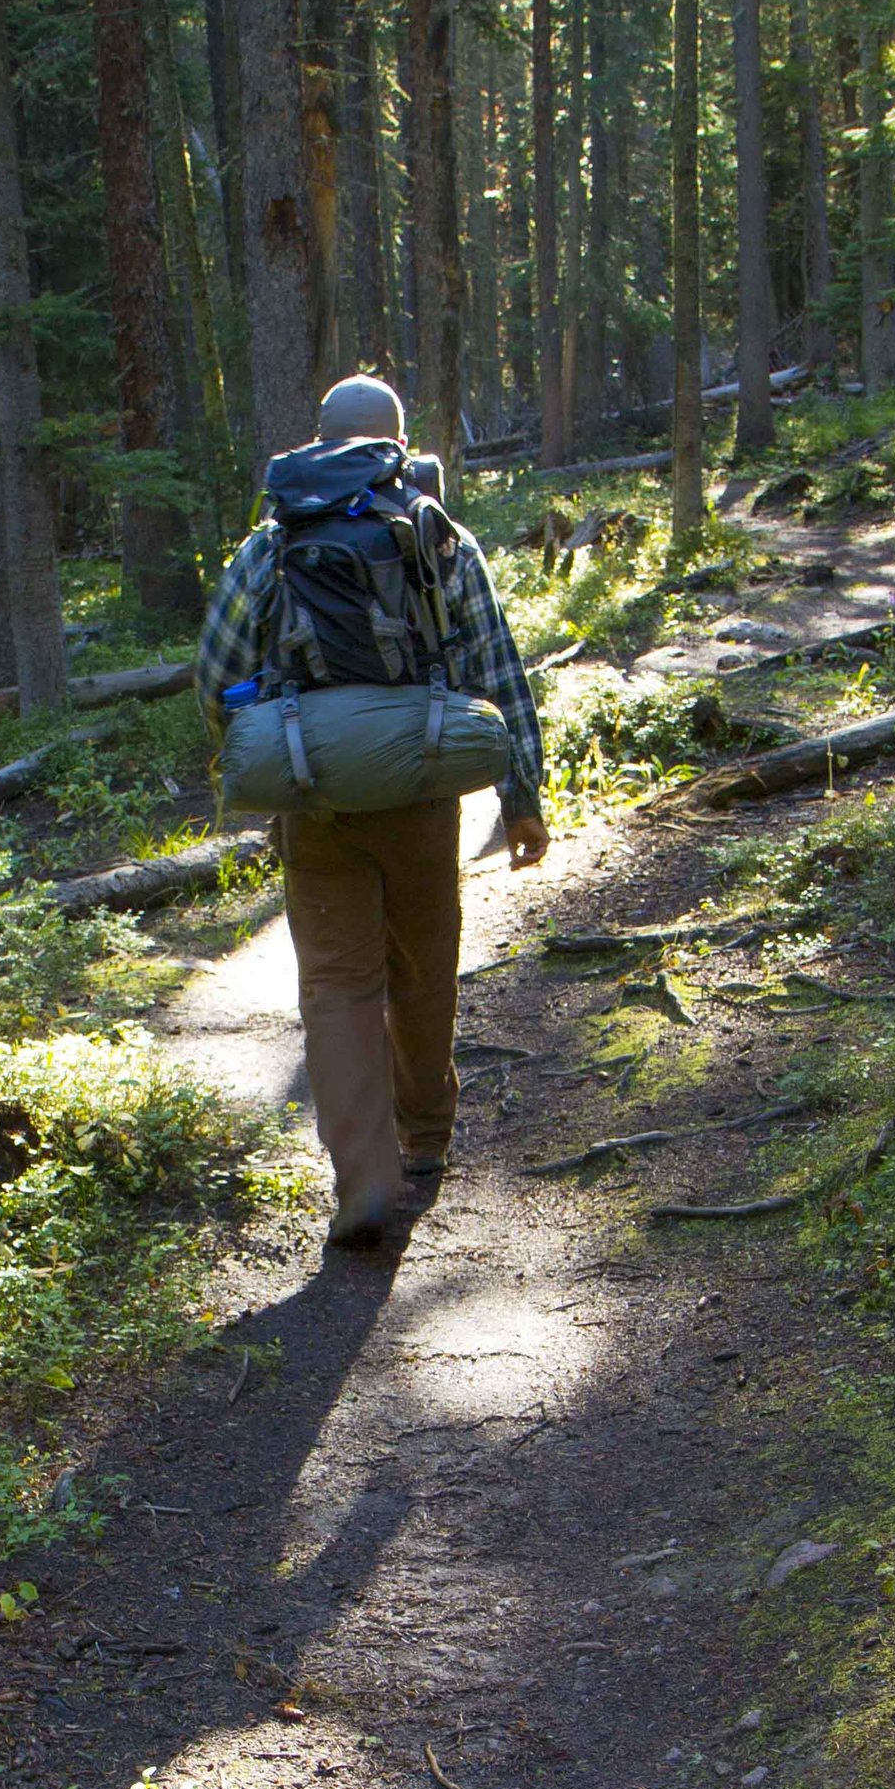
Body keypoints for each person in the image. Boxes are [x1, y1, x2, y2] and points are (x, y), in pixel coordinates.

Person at [196, 371, 549, 1249]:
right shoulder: (438, 534)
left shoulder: (272, 541)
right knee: (424, 967)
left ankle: (363, 1177)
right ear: (397, 441)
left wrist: (271, 751)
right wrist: (522, 798)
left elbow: (214, 669)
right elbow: (497, 668)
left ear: (319, 438)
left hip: (315, 795)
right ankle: (424, 1144)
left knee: (336, 984)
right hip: (423, 789)